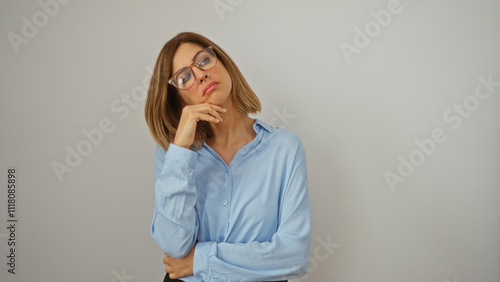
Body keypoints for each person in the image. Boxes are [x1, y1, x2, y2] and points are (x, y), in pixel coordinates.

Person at [144, 31, 312, 282]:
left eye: (203, 60)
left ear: (222, 61)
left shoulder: (285, 148)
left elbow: (294, 257)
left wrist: (200, 260)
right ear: (179, 99)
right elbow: (175, 246)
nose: (201, 74)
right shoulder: (173, 153)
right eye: (184, 77)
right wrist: (180, 149)